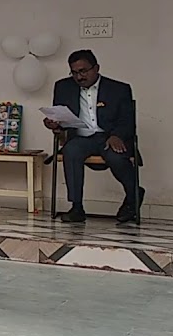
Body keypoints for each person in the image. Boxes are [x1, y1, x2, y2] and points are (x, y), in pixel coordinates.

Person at [44, 49, 141, 223]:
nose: (79, 77)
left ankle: (133, 196)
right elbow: (60, 116)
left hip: (108, 137)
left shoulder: (119, 89)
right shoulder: (63, 87)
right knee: (71, 151)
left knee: (116, 157)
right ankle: (76, 207)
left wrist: (117, 135)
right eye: (74, 72)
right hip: (81, 138)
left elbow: (127, 120)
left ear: (96, 68)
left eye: (83, 71)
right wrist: (54, 124)